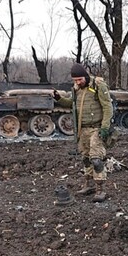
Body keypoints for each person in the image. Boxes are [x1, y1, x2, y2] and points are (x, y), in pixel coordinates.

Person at [52, 63, 114, 202]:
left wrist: (105, 127)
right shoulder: (76, 89)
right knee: (85, 158)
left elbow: (107, 107)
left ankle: (100, 190)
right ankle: (89, 185)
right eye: (75, 80)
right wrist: (59, 99)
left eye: (79, 79)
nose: (77, 82)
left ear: (85, 76)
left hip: (97, 128)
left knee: (96, 159)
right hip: (83, 130)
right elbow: (71, 103)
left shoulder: (98, 85)